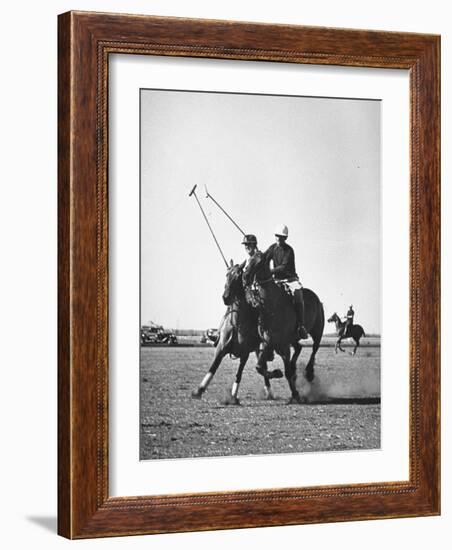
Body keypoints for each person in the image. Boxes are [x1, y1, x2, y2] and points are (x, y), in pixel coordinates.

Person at [264, 224, 308, 340]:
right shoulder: (272, 248)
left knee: (298, 294)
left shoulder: (289, 250)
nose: (278, 238)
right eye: (277, 236)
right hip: (276, 280)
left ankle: (301, 325)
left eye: (281, 237)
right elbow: (265, 259)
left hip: (290, 280)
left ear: (285, 238)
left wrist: (270, 271)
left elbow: (283, 267)